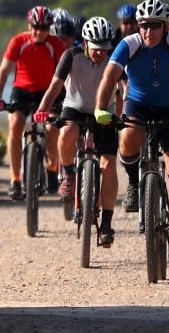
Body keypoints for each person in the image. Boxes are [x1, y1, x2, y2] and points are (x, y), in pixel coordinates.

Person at [94, 0, 169, 264]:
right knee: (129, 137)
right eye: (143, 25)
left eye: (154, 26)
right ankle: (134, 184)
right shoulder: (129, 43)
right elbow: (110, 75)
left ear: (165, 26)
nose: (148, 31)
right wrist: (101, 107)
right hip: (139, 104)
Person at [33, 16, 121, 246]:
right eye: (96, 49)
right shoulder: (71, 56)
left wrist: (121, 117)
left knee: (109, 164)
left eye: (104, 49)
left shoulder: (114, 59)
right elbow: (56, 85)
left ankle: (107, 224)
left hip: (104, 111)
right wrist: (43, 109)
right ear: (84, 42)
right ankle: (70, 174)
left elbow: (124, 88)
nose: (100, 53)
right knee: (67, 132)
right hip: (75, 107)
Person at [0, 6, 66, 200]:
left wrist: (68, 98)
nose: (38, 32)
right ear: (29, 25)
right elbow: (4, 71)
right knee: (15, 125)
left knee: (51, 128)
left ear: (49, 28)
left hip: (47, 92)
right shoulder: (18, 41)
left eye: (43, 28)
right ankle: (15, 180)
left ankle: (51, 167)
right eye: (35, 27)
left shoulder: (56, 44)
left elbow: (64, 74)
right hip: (22, 90)